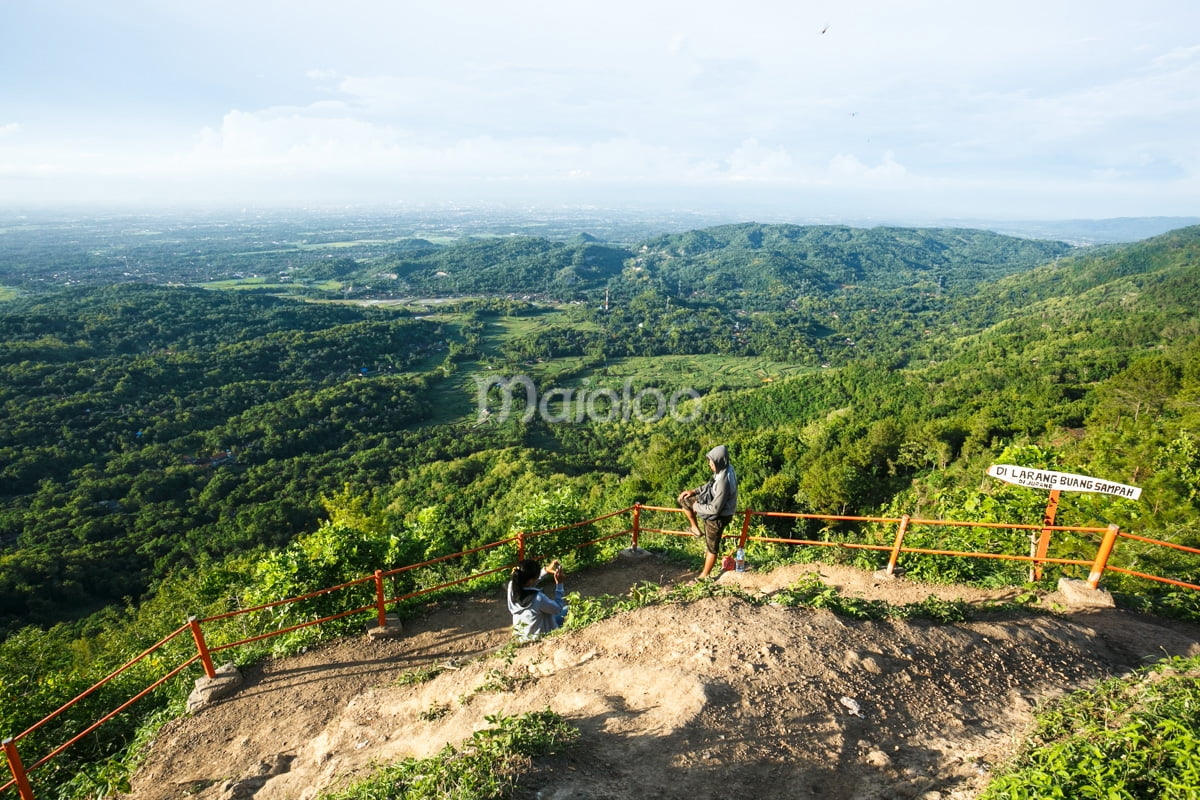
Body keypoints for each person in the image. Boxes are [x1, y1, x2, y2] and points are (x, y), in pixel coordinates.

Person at [677, 444, 738, 579]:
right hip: (712, 503)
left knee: (712, 547)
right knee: (684, 499)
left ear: (719, 462)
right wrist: (694, 491)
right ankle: (695, 528)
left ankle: (704, 576)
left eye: (712, 462)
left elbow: (716, 508)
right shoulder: (725, 468)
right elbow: (710, 484)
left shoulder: (724, 481)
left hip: (719, 517)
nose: (710, 464)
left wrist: (696, 507)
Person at [506, 558, 568, 641]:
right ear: (531, 580)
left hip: (523, 636)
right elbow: (558, 609)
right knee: (567, 610)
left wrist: (545, 571)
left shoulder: (512, 586)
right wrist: (559, 584)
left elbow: (528, 583)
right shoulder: (538, 598)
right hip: (541, 637)